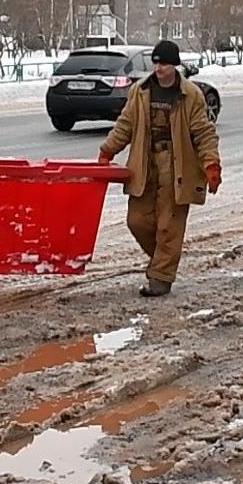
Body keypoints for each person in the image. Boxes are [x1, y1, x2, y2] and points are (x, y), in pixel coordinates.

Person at [98, 41, 222, 297]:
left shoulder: (190, 95)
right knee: (137, 221)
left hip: (177, 166)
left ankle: (161, 278)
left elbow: (204, 133)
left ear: (174, 65)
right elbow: (125, 124)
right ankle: (163, 261)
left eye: (163, 63)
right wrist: (108, 149)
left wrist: (211, 164)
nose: (158, 68)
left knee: (169, 225)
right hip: (145, 164)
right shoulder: (140, 91)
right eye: (155, 63)